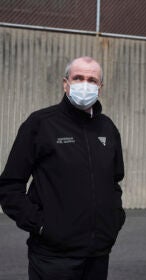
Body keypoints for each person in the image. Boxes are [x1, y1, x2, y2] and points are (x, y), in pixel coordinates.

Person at [0, 56, 126, 280]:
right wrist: (41, 226)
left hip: (98, 254)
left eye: (92, 79)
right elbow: (10, 185)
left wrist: (114, 222)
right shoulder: (41, 123)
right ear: (65, 83)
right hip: (53, 257)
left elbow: (114, 182)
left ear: (100, 87)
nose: (85, 84)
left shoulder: (108, 128)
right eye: (78, 78)